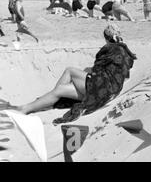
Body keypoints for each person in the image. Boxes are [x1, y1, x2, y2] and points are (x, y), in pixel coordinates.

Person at [9, 24, 137, 124]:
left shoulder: (109, 48)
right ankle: (33, 105)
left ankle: (36, 105)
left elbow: (97, 69)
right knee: (60, 89)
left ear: (106, 38)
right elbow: (123, 75)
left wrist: (92, 75)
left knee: (69, 70)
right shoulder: (126, 52)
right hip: (110, 94)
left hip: (101, 88)